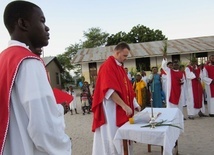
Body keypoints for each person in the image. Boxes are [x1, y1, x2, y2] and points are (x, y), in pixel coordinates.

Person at [0, 1, 71, 155]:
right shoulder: (28, 62)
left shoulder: (3, 59)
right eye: (42, 21)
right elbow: (43, 126)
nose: (47, 27)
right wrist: (65, 145)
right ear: (23, 23)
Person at [92, 42, 140, 155]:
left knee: (121, 134)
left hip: (120, 107)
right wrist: (124, 105)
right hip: (111, 109)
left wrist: (135, 104)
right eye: (124, 55)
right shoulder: (107, 66)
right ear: (117, 52)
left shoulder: (120, 68)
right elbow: (109, 90)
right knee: (112, 135)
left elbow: (128, 89)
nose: (126, 58)